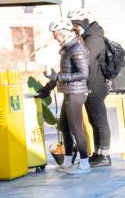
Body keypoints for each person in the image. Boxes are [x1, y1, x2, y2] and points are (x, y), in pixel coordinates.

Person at [36, 18, 91, 175]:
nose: (54, 37)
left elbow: (83, 74)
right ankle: (67, 161)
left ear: (65, 33)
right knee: (64, 128)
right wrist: (47, 88)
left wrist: (57, 77)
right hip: (69, 92)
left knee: (76, 128)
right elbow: (61, 74)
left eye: (56, 33)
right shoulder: (67, 48)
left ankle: (85, 163)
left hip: (76, 93)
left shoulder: (77, 48)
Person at [66, 8, 112, 168]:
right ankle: (98, 153)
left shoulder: (94, 38)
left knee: (100, 121)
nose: (74, 29)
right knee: (94, 121)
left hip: (96, 86)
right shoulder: (87, 37)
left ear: (82, 23)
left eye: (75, 26)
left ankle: (105, 156)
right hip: (89, 84)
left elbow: (84, 58)